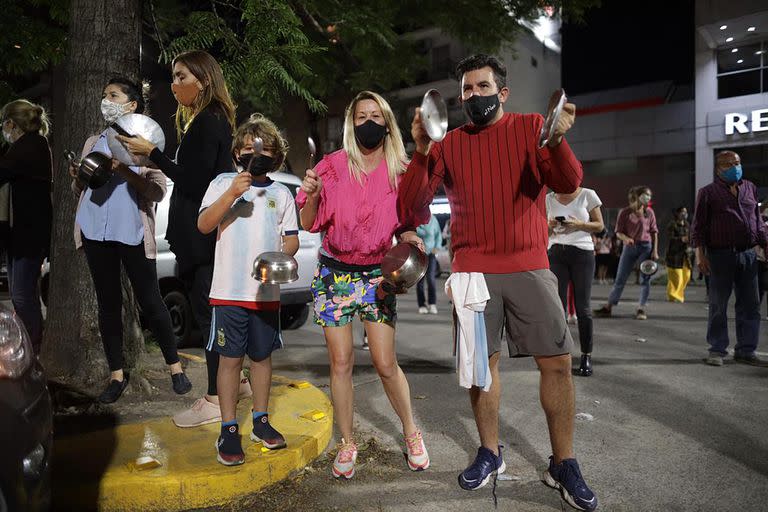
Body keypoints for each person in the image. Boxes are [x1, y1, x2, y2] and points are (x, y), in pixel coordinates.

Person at [399, 54, 597, 511]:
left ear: (502, 92)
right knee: (479, 371)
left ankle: (563, 462)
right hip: (472, 273)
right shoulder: (447, 144)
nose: (474, 96)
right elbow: (411, 209)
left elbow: (567, 182)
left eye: (483, 87)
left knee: (559, 365)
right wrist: (422, 150)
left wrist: (558, 139)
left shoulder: (530, 128)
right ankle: (491, 451)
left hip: (529, 265)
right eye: (467, 90)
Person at [297, 91, 430, 479]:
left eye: (375, 115)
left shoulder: (401, 170)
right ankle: (347, 442)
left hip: (378, 276)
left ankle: (411, 434)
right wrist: (314, 196)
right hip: (333, 275)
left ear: (387, 123)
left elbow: (408, 218)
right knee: (340, 364)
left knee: (386, 364)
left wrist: (409, 237)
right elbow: (308, 221)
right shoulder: (331, 167)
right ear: (350, 124)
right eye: (360, 116)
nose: (368, 122)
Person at [118, 51, 251, 424]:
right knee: (207, 314)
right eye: (174, 77)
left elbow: (194, 181)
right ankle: (234, 383)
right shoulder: (207, 121)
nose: (174, 85)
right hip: (195, 234)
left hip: (201, 237)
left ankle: (213, 399)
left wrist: (153, 154)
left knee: (208, 319)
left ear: (203, 80)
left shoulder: (210, 122)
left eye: (181, 77)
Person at [70, 77, 191, 403]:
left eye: (113, 95)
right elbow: (79, 190)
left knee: (151, 301)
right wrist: (79, 176)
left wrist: (122, 169)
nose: (105, 99)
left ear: (132, 105)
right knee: (108, 304)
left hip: (132, 234)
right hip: (95, 231)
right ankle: (116, 375)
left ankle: (175, 368)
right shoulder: (93, 141)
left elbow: (156, 191)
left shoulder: (146, 143)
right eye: (104, 94)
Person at [198, 114, 298, 466]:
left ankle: (260, 420)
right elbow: (205, 224)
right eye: (249, 148)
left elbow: (291, 240)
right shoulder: (222, 183)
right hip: (228, 291)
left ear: (277, 155)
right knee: (230, 359)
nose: (257, 154)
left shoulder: (282, 194)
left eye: (266, 149)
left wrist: (280, 260)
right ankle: (228, 428)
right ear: (236, 153)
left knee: (261, 358)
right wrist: (232, 193)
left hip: (265, 294)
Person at [691, 151, 768, 367]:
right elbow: (698, 227)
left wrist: (765, 243)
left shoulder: (750, 188)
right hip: (720, 255)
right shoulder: (708, 193)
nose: (735, 166)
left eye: (738, 162)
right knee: (718, 304)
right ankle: (717, 350)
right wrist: (700, 254)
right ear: (719, 168)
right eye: (730, 163)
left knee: (751, 305)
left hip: (749, 254)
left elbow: (757, 221)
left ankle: (746, 350)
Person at [0, 100, 52, 354]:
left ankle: (33, 348)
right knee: (20, 294)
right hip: (19, 234)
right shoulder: (26, 147)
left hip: (29, 234)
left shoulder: (30, 146)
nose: (3, 129)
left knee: (22, 295)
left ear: (12, 123)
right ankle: (28, 345)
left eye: (4, 123)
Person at [546, 187, 605, 377]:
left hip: (582, 252)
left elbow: (599, 225)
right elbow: (543, 231)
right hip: (555, 252)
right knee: (558, 307)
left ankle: (586, 356)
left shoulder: (588, 194)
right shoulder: (548, 198)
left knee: (583, 308)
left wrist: (579, 224)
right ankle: (561, 354)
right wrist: (550, 225)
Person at [593, 186, 659, 320]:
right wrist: (626, 239)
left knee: (645, 279)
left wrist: (655, 251)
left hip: (646, 247)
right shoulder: (625, 212)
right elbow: (618, 232)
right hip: (629, 247)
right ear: (638, 196)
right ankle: (609, 306)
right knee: (620, 278)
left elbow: (654, 232)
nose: (648, 198)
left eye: (649, 196)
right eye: (646, 195)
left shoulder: (649, 212)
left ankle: (641, 308)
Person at [665, 206, 693, 303]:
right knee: (677, 276)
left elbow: (690, 236)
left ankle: (672, 294)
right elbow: (670, 238)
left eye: (685, 211)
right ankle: (677, 296)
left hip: (685, 254)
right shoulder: (672, 225)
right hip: (674, 254)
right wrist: (681, 239)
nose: (684, 213)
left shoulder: (687, 224)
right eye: (682, 212)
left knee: (687, 275)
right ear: (677, 213)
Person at [416, 213, 442, 314]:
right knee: (420, 280)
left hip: (431, 253)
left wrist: (437, 247)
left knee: (431, 279)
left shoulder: (433, 220)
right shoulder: (416, 220)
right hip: (419, 254)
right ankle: (421, 305)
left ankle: (432, 304)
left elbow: (438, 235)